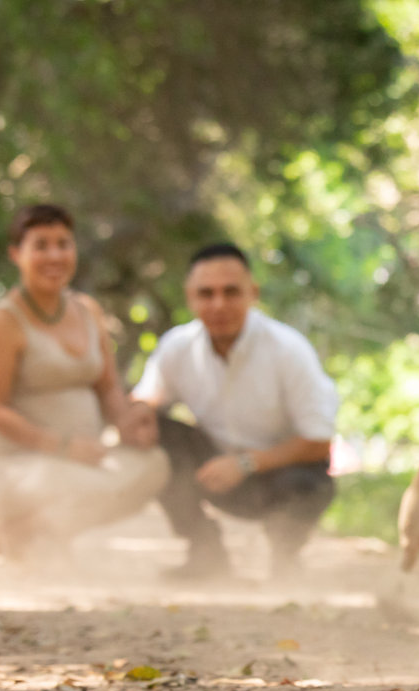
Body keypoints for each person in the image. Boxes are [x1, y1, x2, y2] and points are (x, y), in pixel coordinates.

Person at [0, 203, 168, 563]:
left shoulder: (87, 310)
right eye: (41, 245)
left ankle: (35, 532)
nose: (54, 255)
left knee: (154, 465)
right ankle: (24, 531)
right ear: (17, 254)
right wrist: (61, 446)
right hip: (10, 468)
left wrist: (128, 423)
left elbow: (106, 387)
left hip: (76, 461)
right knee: (75, 481)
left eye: (63, 244)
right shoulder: (1, 322)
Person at [131, 243, 339, 580]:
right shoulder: (177, 347)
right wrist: (139, 415)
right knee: (158, 432)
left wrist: (245, 463)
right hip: (211, 472)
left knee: (312, 480)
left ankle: (285, 558)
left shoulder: (289, 350)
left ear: (252, 293)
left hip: (278, 478)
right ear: (190, 297)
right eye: (206, 293)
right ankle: (205, 552)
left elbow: (318, 441)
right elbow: (145, 399)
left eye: (231, 292)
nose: (219, 304)